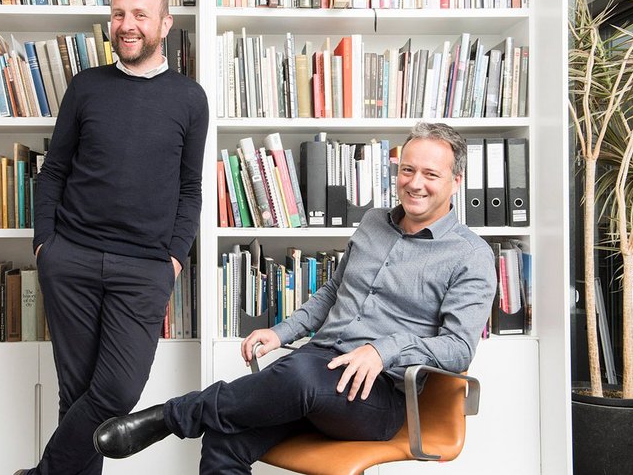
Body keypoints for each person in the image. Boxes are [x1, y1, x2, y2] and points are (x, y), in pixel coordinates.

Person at [93, 122, 498, 474]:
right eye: (407, 170)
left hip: (377, 396)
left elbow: (458, 348)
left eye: (430, 174)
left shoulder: (470, 254)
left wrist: (383, 350)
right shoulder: (375, 221)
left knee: (299, 376)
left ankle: (172, 415)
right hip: (314, 369)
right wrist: (282, 333)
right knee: (224, 437)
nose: (415, 183)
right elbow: (333, 292)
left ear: (455, 181)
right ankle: (193, 416)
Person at [18, 0, 209, 475]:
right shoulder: (86, 86)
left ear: (164, 24)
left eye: (140, 14)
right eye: (119, 14)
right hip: (71, 259)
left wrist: (173, 257)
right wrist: (45, 245)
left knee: (117, 392)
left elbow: (190, 187)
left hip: (144, 269)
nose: (127, 25)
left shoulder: (190, 98)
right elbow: (54, 170)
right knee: (77, 394)